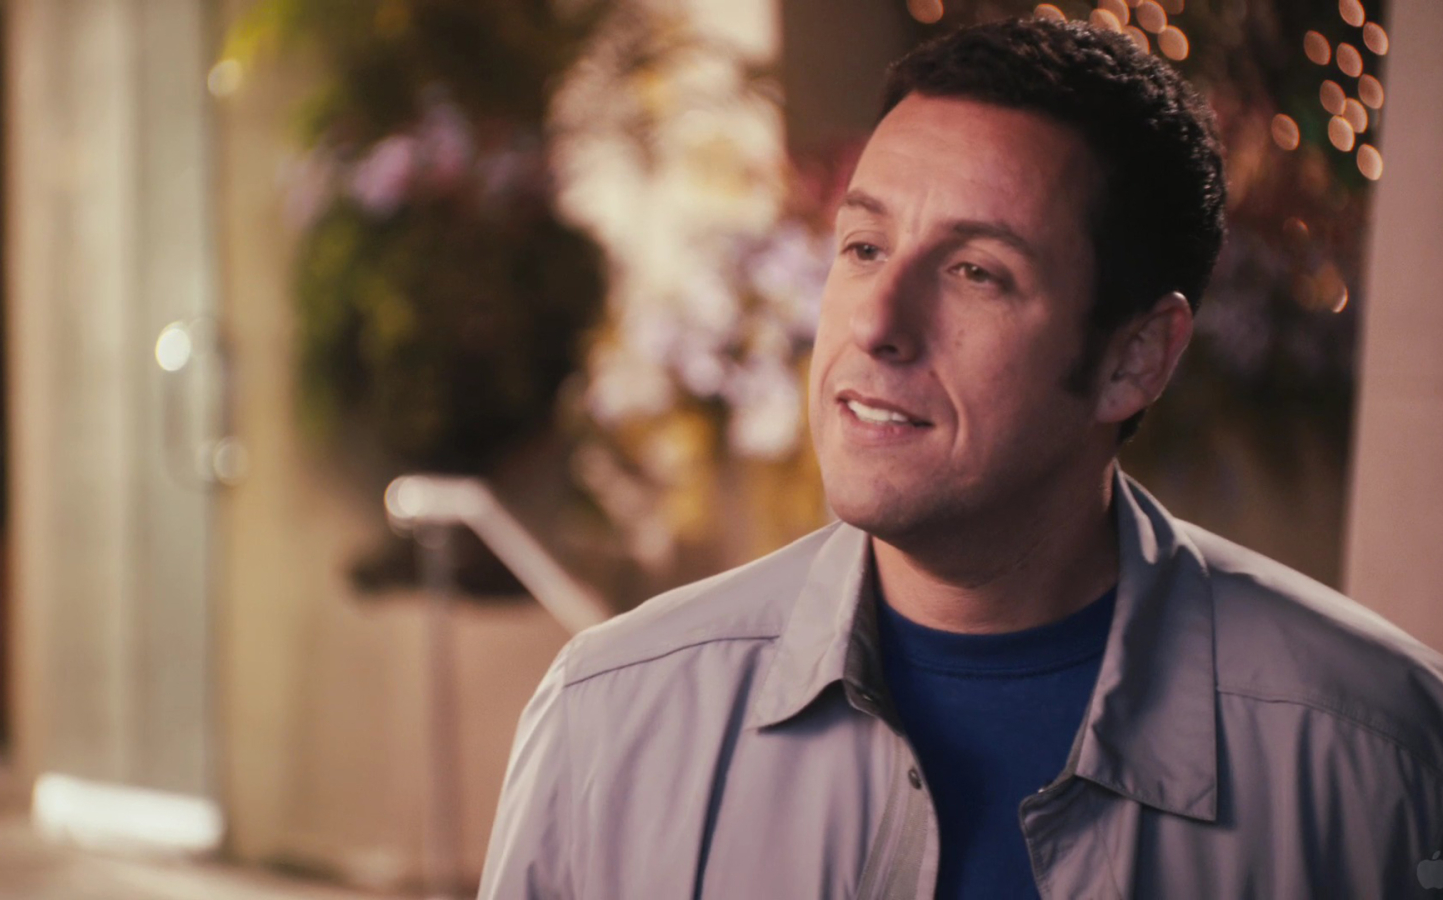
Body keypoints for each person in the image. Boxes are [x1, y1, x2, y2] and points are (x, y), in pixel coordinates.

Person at [478, 18, 1443, 899]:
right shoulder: (611, 719)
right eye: (863, 246)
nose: (876, 324)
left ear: (1135, 358)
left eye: (976, 271)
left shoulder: (1378, 751)